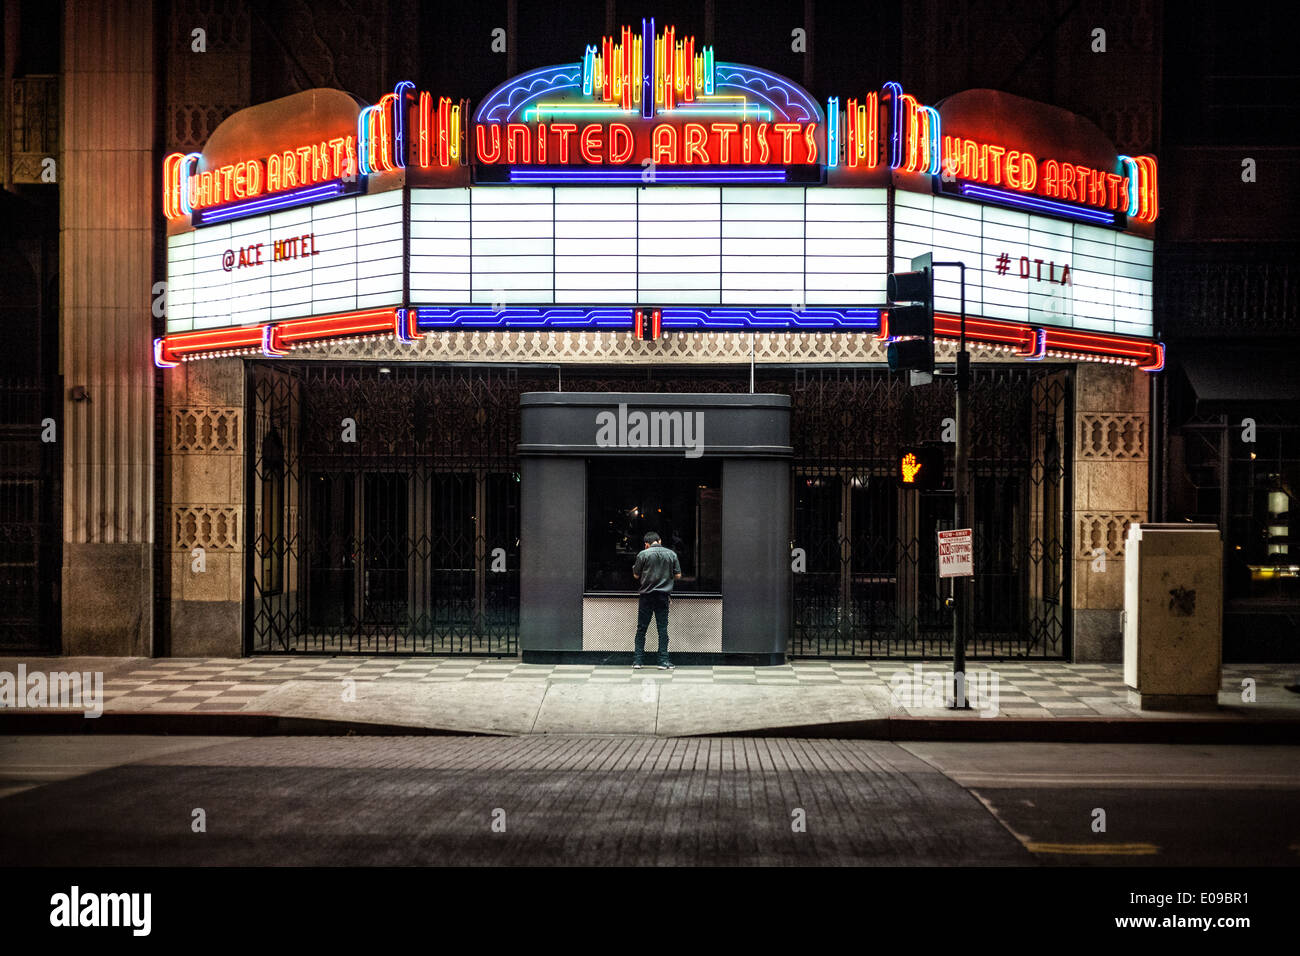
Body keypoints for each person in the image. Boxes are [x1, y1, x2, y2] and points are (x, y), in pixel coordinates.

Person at [631, 530, 681, 670]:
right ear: (659, 541)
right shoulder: (671, 554)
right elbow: (678, 575)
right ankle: (663, 662)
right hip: (663, 597)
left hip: (646, 596)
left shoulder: (643, 554)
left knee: (641, 629)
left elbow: (636, 575)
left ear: (646, 544)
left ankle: (638, 661)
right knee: (662, 629)